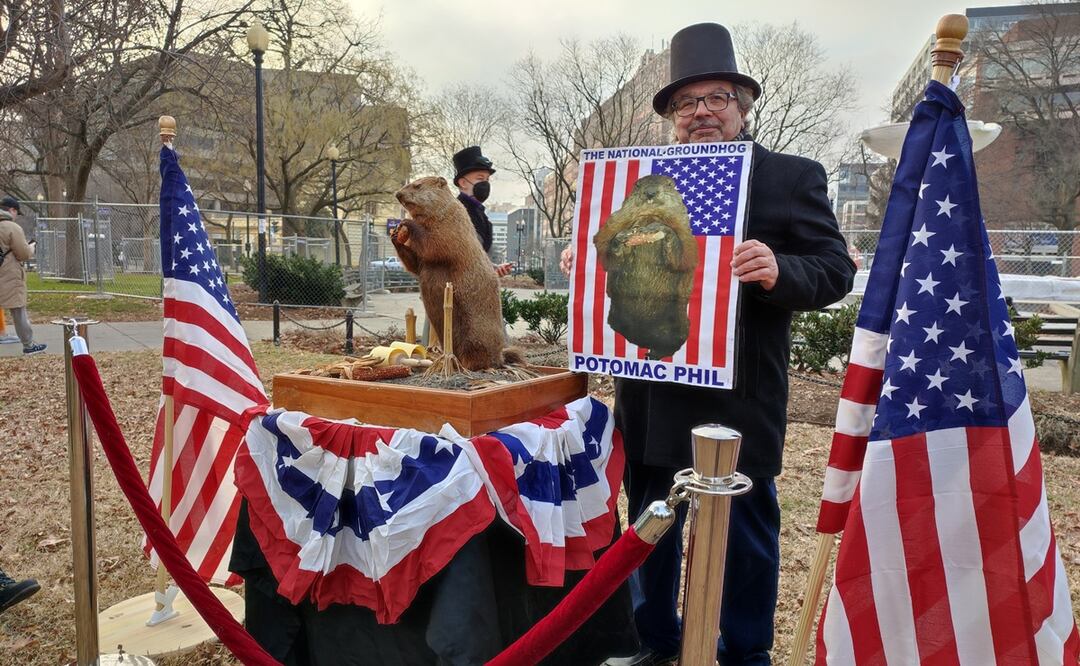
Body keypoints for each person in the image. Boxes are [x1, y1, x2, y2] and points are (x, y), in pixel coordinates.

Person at [562, 24, 856, 666]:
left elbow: (835, 269)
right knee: (648, 521)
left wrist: (781, 269)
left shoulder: (789, 177)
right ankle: (652, 639)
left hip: (739, 394)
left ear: (743, 106)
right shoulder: (634, 177)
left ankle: (745, 651)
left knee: (745, 535)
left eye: (717, 97)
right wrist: (585, 261)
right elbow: (610, 246)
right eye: (687, 102)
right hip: (652, 382)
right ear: (670, 115)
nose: (702, 112)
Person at [451, 146, 513, 278]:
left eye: (487, 180)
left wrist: (495, 269)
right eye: (480, 179)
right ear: (463, 183)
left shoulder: (479, 213)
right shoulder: (455, 213)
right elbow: (462, 259)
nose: (485, 184)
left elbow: (477, 258)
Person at [0, 197, 47, 355]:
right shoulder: (11, 227)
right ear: (12, 210)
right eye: (16, 213)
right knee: (18, 311)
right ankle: (28, 345)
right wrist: (31, 246)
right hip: (9, 275)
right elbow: (23, 254)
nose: (16, 216)